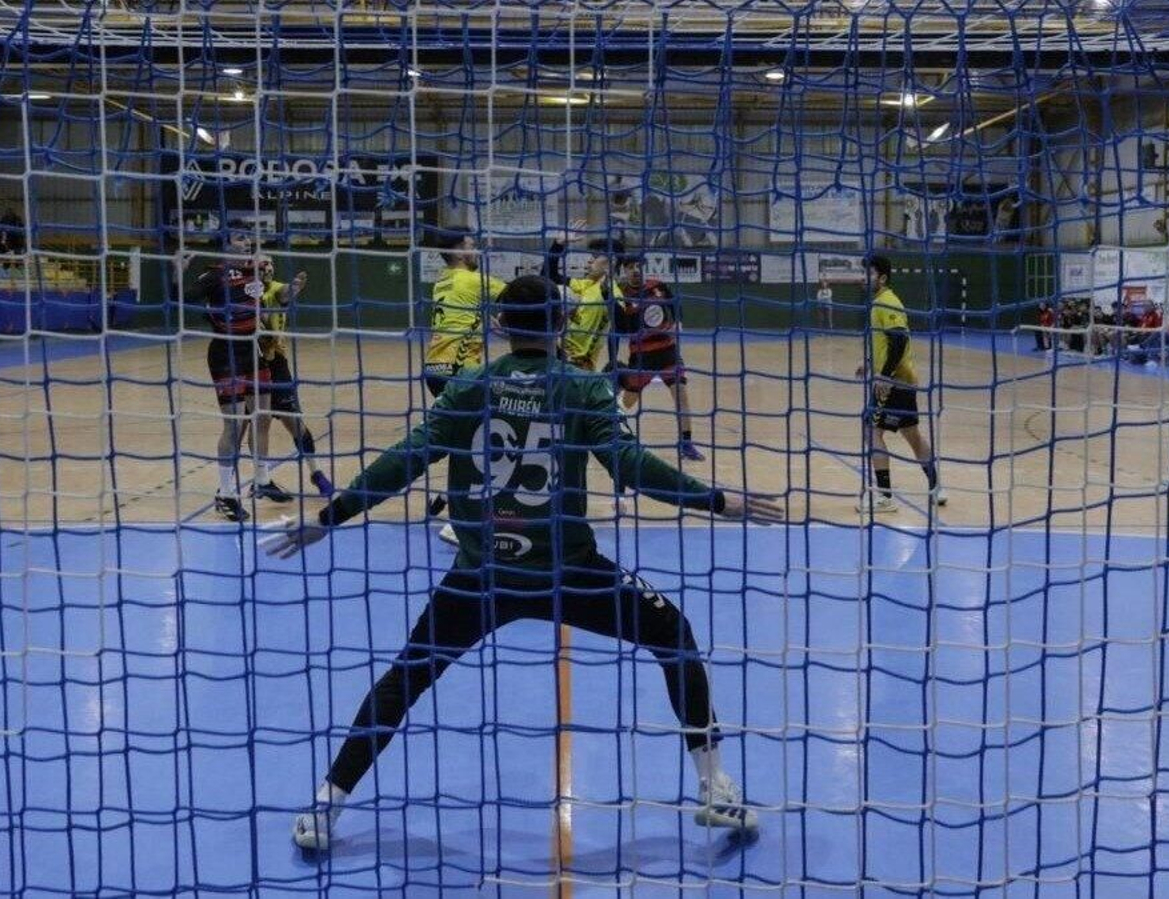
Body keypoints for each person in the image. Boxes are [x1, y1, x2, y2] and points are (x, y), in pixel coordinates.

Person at [263, 274, 783, 851]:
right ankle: (714, 788)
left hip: (482, 577)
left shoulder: (469, 387)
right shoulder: (583, 389)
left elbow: (403, 461)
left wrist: (328, 518)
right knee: (674, 636)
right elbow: (633, 469)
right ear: (561, 323)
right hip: (570, 572)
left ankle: (326, 804)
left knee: (406, 678)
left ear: (499, 326)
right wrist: (717, 500)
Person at [423, 230, 508, 545]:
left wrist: (486, 322)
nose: (477, 250)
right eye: (472, 246)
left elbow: (464, 315)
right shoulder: (472, 281)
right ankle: (457, 523)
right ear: (459, 251)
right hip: (460, 374)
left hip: (436, 369)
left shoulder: (443, 281)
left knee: (472, 441)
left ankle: (447, 499)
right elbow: (521, 293)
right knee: (490, 443)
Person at [855, 254, 944, 513]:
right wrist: (871, 363)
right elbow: (886, 342)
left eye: (869, 273)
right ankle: (936, 487)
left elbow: (898, 340)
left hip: (894, 382)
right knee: (912, 435)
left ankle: (885, 497)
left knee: (871, 432)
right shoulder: (880, 303)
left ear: (882, 278)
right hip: (903, 381)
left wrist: (884, 375)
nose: (864, 278)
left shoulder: (886, 302)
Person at [248, 256, 334, 501]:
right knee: (258, 424)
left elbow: (284, 294)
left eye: (271, 263)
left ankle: (315, 472)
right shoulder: (243, 291)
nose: (268, 267)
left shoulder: (274, 288)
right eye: (263, 263)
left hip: (276, 364)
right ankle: (260, 480)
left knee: (295, 422)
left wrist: (295, 286)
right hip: (251, 364)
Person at [190, 258, 269, 522]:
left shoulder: (255, 270)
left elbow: (262, 306)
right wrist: (178, 273)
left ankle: (262, 479)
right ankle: (225, 493)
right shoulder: (214, 274)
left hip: (253, 349)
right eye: (239, 237)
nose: (245, 242)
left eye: (248, 238)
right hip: (226, 354)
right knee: (233, 425)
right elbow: (186, 298)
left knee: (262, 416)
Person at [616, 259, 702, 460]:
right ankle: (607, 430)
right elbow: (622, 328)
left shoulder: (658, 286)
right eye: (630, 267)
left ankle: (686, 444)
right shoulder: (621, 295)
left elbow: (674, 303)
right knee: (627, 402)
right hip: (642, 357)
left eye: (638, 266)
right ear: (624, 271)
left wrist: (678, 321)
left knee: (681, 395)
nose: (635, 270)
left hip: (668, 352)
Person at [543, 218, 625, 373]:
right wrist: (558, 246)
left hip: (577, 366)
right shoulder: (586, 285)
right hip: (557, 356)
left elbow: (622, 325)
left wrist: (608, 296)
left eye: (594, 257)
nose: (589, 261)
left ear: (612, 261)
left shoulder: (613, 292)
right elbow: (548, 276)